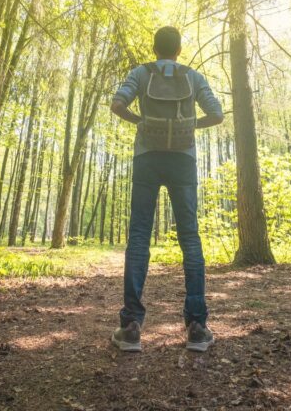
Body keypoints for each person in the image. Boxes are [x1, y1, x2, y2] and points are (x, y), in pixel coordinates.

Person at [109, 26, 224, 353]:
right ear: (179, 49)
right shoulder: (193, 77)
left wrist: (141, 122)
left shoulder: (140, 73)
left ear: (154, 48)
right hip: (183, 160)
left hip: (147, 157)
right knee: (190, 237)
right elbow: (217, 114)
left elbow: (117, 104)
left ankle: (131, 326)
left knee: (139, 235)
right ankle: (197, 327)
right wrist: (188, 125)